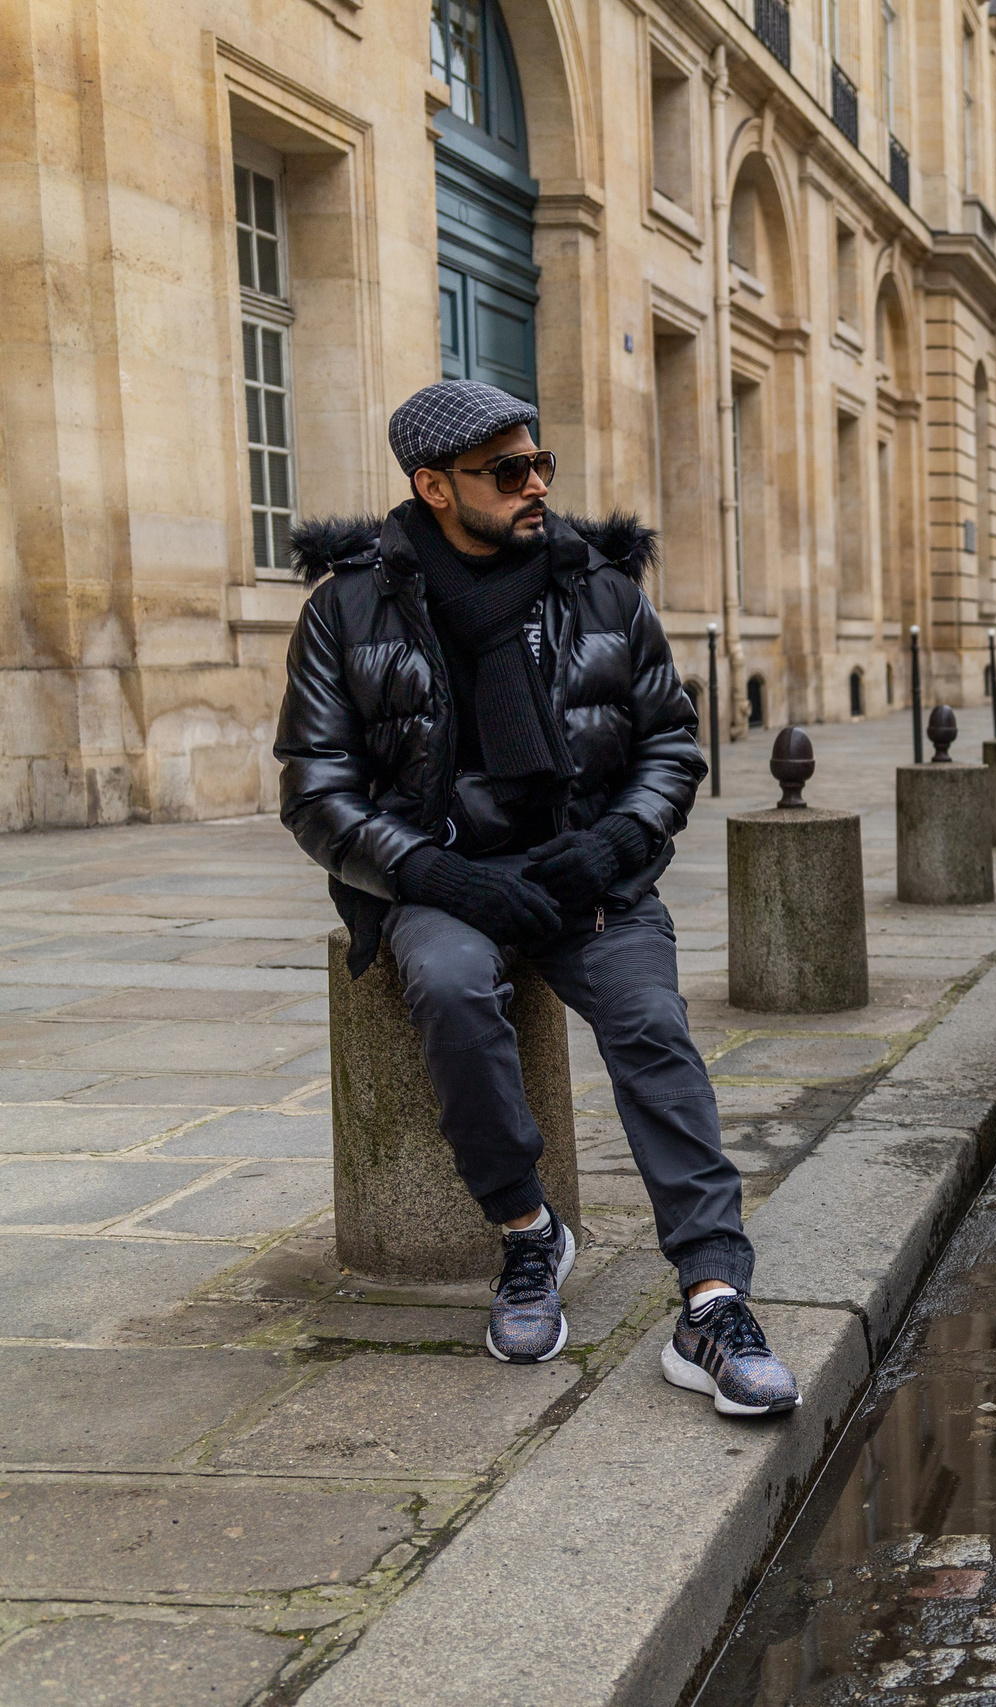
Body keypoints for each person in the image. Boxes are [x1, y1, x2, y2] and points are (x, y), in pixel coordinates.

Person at [276, 379, 798, 1419]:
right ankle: (526, 1232)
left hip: (585, 873)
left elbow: (669, 743)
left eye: (539, 463)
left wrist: (614, 843)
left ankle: (713, 1297)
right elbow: (315, 790)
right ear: (435, 486)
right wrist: (429, 874)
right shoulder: (347, 608)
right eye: (507, 471)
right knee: (451, 990)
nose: (536, 486)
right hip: (441, 875)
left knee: (650, 1024)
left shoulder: (599, 587)